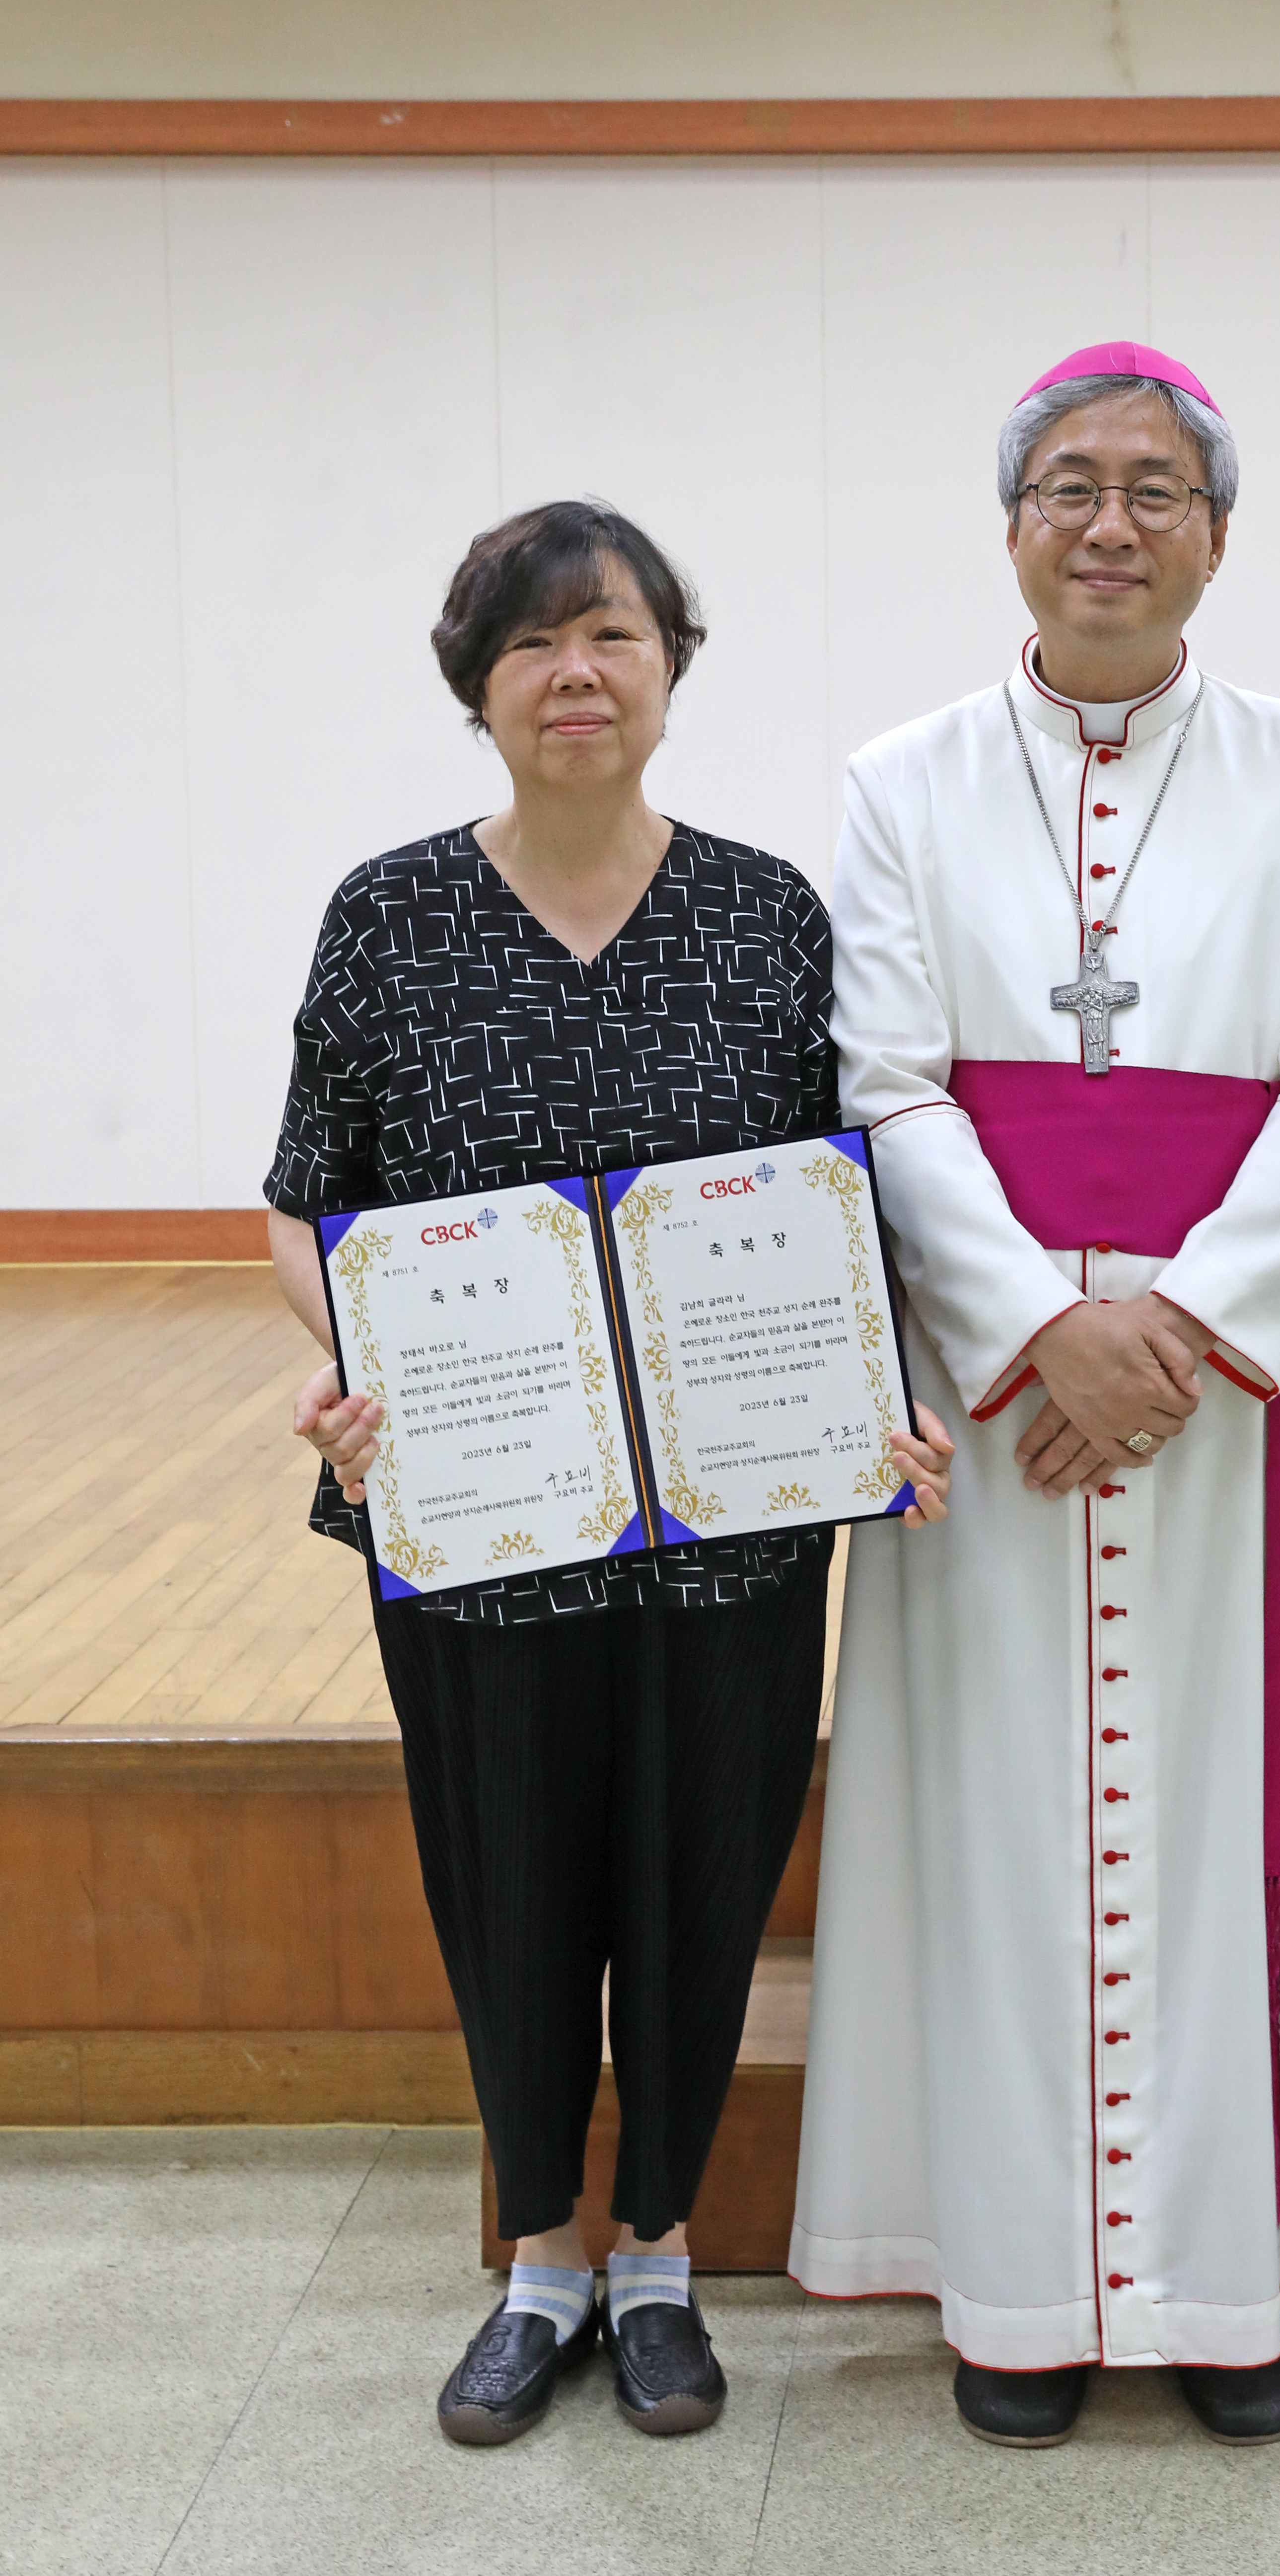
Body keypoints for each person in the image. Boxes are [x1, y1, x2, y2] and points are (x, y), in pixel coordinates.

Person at [789, 341, 1280, 2448]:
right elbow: (881, 1079)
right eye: (1069, 485)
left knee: (1232, 1809)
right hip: (998, 1402)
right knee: (994, 1822)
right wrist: (1028, 1324)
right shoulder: (901, 780)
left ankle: (1219, 2287)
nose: (1110, 524)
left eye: (1157, 489)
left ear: (1217, 536)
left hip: (1223, 1402)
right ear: (1012, 528)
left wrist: (1175, 1328)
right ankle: (1016, 2288)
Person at [264, 500, 952, 2447]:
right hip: (478, 1515)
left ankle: (656, 2254)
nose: (577, 674)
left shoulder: (765, 915)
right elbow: (308, 1202)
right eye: (532, 644)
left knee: (699, 1876)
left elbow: (848, 1214)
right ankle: (540, 2260)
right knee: (505, 1884)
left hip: (729, 1522)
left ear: (670, 668)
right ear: (477, 686)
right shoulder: (387, 917)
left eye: (615, 636)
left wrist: (872, 1404)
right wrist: (345, 1366)